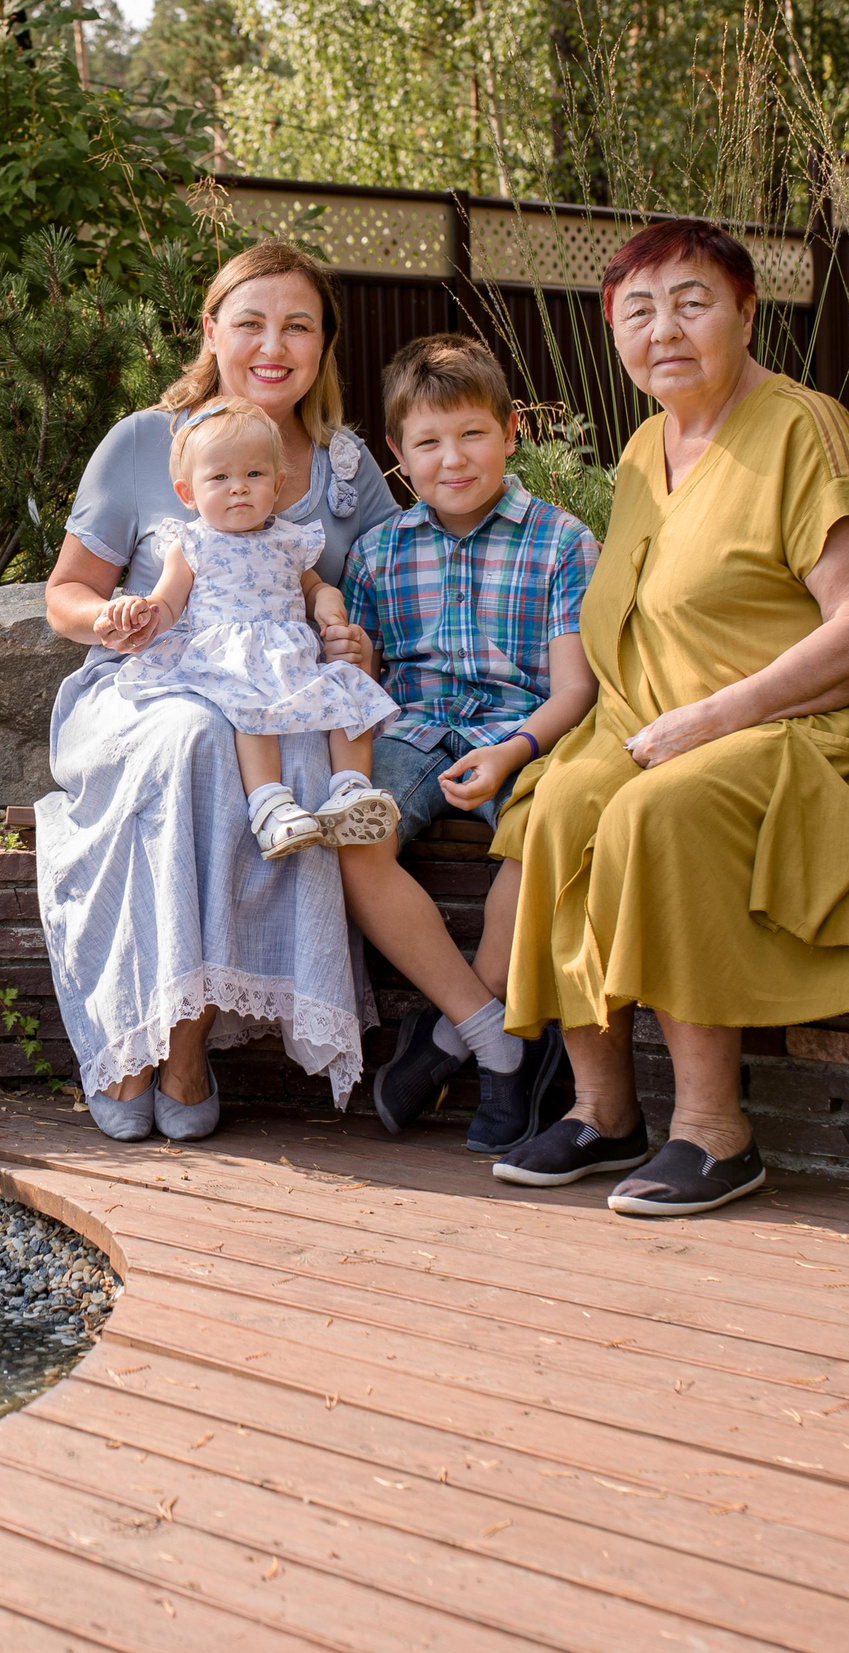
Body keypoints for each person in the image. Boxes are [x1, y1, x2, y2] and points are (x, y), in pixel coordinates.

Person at [489, 219, 849, 1217]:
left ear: (745, 313)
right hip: (667, 719)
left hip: (825, 724)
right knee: (564, 801)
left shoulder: (806, 427)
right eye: (637, 310)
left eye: (691, 302)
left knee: (654, 811)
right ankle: (601, 1107)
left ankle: (715, 1130)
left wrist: (708, 720)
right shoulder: (639, 449)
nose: (664, 328)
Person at [39, 241, 402, 1143]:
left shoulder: (345, 470)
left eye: (298, 326)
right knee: (199, 735)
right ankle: (137, 1031)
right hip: (145, 683)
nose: (273, 345)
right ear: (212, 330)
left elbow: (379, 601)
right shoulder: (142, 443)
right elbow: (64, 596)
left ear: (323, 343)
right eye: (250, 323)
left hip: (277, 688)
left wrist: (358, 639)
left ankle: (188, 1043)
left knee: (280, 735)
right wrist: (113, 619)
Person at [335, 335, 600, 1152]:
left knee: (536, 841)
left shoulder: (560, 542)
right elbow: (362, 686)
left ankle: (454, 1042)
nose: (453, 459)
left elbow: (577, 689)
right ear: (398, 455)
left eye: (473, 434)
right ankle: (498, 1038)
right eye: (429, 442)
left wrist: (515, 751)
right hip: (409, 732)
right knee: (353, 837)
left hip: (526, 736)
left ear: (511, 430)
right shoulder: (379, 554)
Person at [104, 397, 403, 858]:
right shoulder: (191, 542)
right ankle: (270, 806)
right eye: (220, 478)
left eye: (254, 475)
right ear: (188, 494)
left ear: (278, 484)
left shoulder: (291, 539)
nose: (238, 488)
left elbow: (315, 588)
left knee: (348, 693)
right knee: (251, 708)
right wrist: (143, 613)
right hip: (228, 658)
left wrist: (330, 608)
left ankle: (351, 791)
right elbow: (167, 601)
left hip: (294, 656)